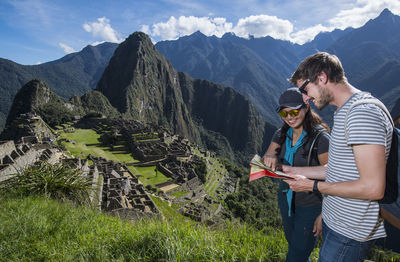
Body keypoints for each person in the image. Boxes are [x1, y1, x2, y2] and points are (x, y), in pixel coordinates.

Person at [284, 52, 393, 262]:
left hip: (349, 233)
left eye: (305, 90)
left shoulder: (362, 113)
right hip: (337, 223)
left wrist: (312, 186)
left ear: (322, 78)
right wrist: (293, 171)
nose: (305, 98)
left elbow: (373, 187)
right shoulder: (345, 110)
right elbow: (336, 170)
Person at [263, 88, 330, 262]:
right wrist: (269, 157)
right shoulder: (282, 133)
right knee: (295, 246)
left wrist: (325, 214)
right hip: (286, 198)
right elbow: (268, 156)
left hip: (311, 205)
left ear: (306, 108)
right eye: (283, 113)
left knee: (296, 255)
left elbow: (334, 175)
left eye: (294, 111)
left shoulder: (320, 139)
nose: (289, 117)